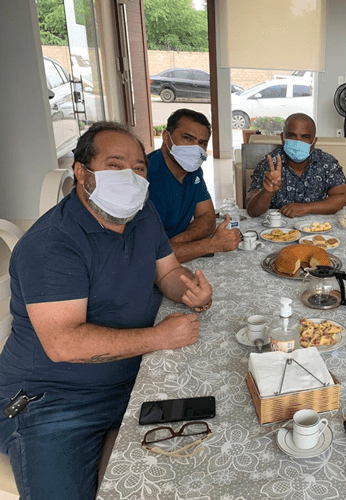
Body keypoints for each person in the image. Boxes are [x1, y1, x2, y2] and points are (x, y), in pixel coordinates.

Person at [0, 122, 213, 500]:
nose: (130, 178)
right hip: (51, 399)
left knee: (202, 458)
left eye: (138, 168)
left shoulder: (143, 213)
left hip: (131, 378)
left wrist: (188, 290)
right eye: (115, 166)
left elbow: (167, 272)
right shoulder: (52, 244)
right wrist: (159, 337)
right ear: (83, 173)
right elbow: (64, 343)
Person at [148, 108, 241, 262]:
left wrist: (174, 244)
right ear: (166, 137)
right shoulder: (146, 179)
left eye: (202, 143)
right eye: (187, 138)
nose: (195, 148)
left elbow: (208, 218)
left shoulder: (193, 171)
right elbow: (150, 254)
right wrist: (212, 244)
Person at [246, 113, 346, 218]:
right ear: (282, 137)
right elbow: (252, 210)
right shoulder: (269, 163)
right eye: (292, 136)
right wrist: (267, 192)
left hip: (315, 227)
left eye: (305, 137)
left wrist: (306, 208)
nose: (298, 142)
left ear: (314, 141)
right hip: (277, 228)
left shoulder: (326, 162)